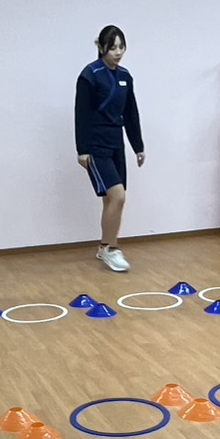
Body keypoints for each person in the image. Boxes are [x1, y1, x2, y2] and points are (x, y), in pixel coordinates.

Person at [75, 25, 144, 272]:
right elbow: (81, 114)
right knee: (118, 196)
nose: (118, 52)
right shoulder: (90, 75)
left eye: (121, 47)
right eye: (113, 47)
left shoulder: (125, 76)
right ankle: (111, 248)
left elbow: (131, 113)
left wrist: (138, 146)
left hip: (116, 144)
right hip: (96, 146)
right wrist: (82, 149)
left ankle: (104, 246)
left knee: (110, 200)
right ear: (101, 47)